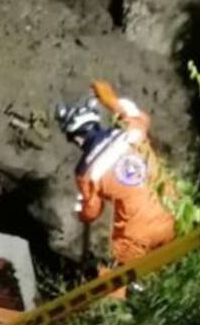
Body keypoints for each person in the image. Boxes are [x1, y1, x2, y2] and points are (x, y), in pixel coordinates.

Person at [55, 82, 177, 290]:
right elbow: (137, 115)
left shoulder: (86, 173)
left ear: (75, 137)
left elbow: (92, 212)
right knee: (176, 263)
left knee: (118, 281)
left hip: (136, 236)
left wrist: (83, 212)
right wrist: (109, 99)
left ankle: (118, 306)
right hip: (171, 210)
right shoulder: (133, 131)